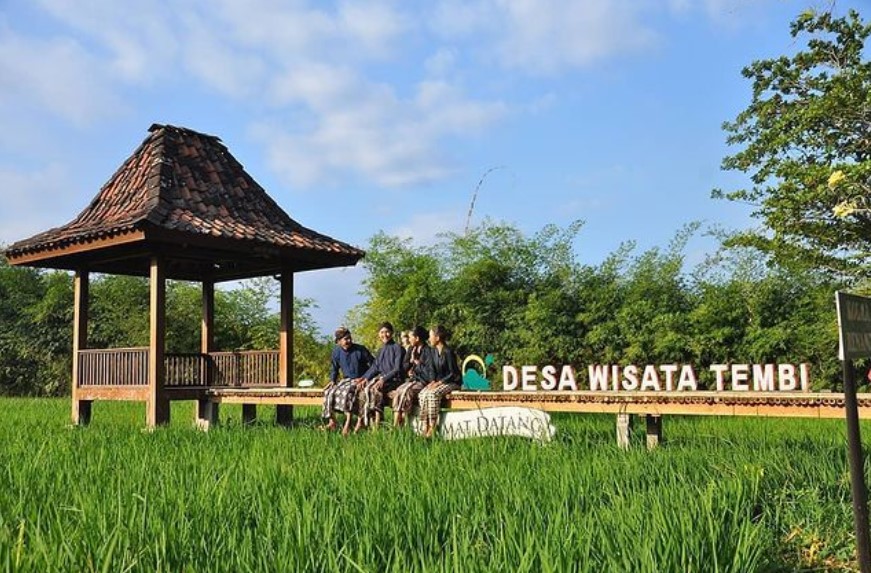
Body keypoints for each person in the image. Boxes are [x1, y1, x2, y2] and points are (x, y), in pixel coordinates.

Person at [322, 327, 373, 436]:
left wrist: (365, 377)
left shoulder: (360, 350)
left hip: (361, 379)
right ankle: (332, 421)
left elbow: (374, 365)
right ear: (339, 341)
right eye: (346, 339)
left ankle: (348, 423)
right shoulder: (336, 352)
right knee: (328, 392)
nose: (349, 341)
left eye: (349, 338)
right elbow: (334, 368)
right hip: (346, 380)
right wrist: (332, 380)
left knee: (347, 393)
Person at [355, 322, 405, 431]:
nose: (384, 335)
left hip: (395, 380)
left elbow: (397, 369)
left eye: (387, 332)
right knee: (363, 391)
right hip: (383, 381)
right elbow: (375, 367)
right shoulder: (381, 350)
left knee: (375, 390)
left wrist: (384, 379)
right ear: (379, 334)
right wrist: (364, 378)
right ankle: (364, 421)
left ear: (392, 333)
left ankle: (378, 422)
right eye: (382, 332)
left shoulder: (398, 348)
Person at [417, 325, 462, 438]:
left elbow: (453, 373)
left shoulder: (448, 352)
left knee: (433, 394)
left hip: (451, 382)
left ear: (437, 338)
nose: (429, 339)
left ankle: (433, 426)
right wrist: (432, 381)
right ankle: (425, 425)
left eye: (430, 336)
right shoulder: (432, 351)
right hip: (438, 382)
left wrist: (439, 383)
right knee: (423, 394)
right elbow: (431, 369)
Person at [392, 325, 429, 428]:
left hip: (423, 381)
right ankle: (396, 424)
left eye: (410, 337)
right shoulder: (411, 349)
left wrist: (416, 362)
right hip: (412, 380)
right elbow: (404, 365)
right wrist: (410, 366)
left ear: (417, 338)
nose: (409, 339)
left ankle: (404, 422)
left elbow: (428, 370)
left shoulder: (428, 351)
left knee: (406, 392)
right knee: (399, 391)